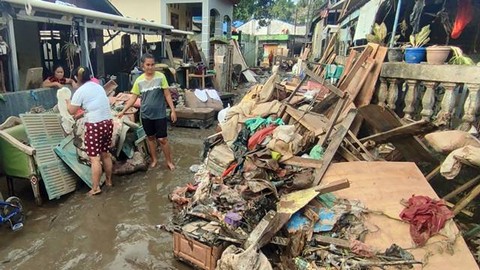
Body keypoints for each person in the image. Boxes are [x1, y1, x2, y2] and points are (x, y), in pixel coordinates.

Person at [118, 53, 177, 170]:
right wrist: (123, 111)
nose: (150, 67)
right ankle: (154, 160)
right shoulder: (139, 81)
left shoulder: (161, 77)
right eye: (148, 65)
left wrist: (173, 111)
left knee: (162, 139)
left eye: (152, 64)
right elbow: (133, 98)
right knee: (150, 138)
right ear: (143, 66)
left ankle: (169, 162)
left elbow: (167, 94)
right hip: (145, 115)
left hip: (160, 114)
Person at [67, 66, 113, 196]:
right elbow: (94, 106)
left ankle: (96, 188)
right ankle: (109, 181)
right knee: (105, 154)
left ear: (76, 78)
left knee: (94, 159)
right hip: (108, 122)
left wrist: (66, 101)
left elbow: (71, 111)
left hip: (95, 125)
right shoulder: (97, 86)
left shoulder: (80, 91)